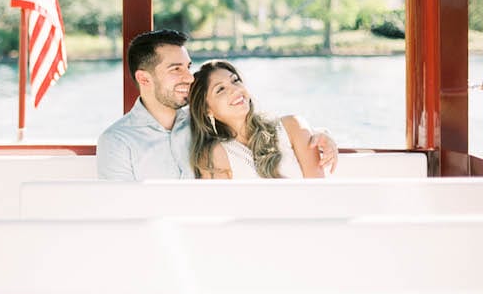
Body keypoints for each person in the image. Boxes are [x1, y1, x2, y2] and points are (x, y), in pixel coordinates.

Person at [96, 29, 337, 180]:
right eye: (176, 69)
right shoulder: (117, 142)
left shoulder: (200, 122)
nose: (189, 77)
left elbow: (251, 119)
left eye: (188, 67)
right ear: (144, 79)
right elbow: (122, 211)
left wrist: (318, 134)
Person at [189, 59, 324, 178]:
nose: (235, 90)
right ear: (207, 109)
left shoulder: (293, 127)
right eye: (221, 89)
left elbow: (319, 191)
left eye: (235, 80)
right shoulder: (215, 155)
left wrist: (322, 133)